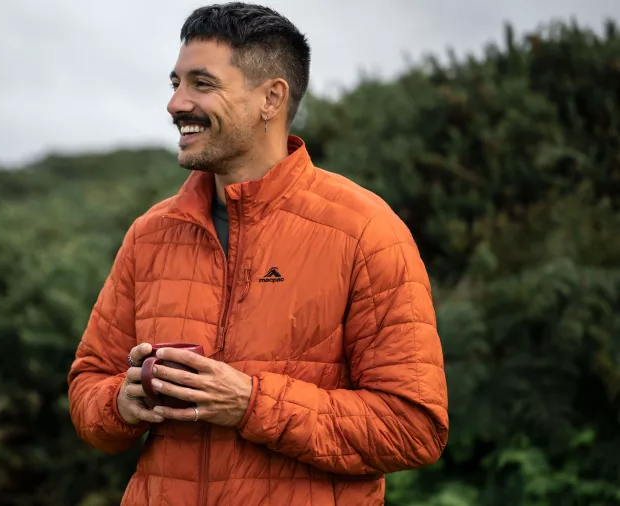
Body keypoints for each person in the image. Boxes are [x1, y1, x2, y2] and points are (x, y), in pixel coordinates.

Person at [67, 2, 449, 504]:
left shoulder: (364, 232)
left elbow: (413, 427)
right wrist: (121, 400)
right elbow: (87, 386)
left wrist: (250, 403)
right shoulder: (150, 234)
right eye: (175, 83)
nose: (176, 104)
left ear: (271, 98)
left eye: (201, 84)